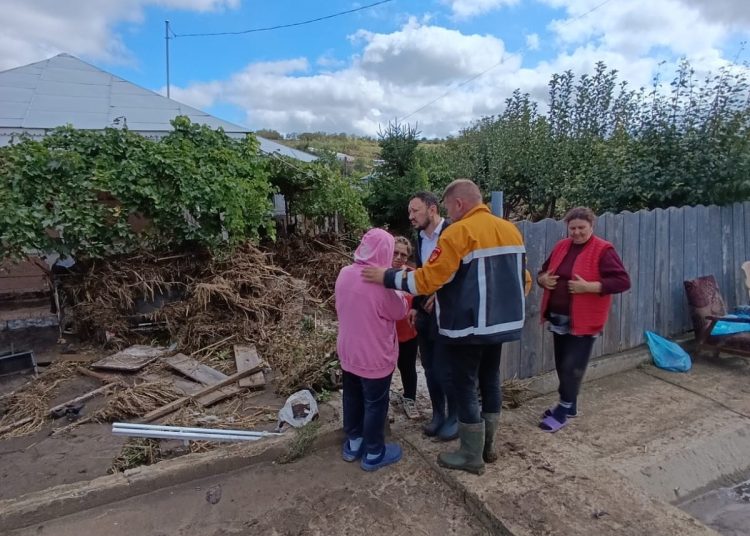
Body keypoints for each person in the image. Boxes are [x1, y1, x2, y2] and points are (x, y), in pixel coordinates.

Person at [363, 179, 530, 475]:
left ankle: (470, 454)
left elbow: (426, 280)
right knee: (490, 380)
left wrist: (387, 277)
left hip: (467, 328)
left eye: (450, 208)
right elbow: (524, 280)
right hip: (499, 326)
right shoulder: (510, 230)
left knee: (464, 385)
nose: (450, 215)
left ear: (459, 204)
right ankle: (488, 446)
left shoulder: (459, 232)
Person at [537, 207, 631, 433]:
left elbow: (622, 281)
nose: (577, 232)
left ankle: (562, 410)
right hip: (560, 317)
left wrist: (589, 287)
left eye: (582, 228)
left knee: (572, 366)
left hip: (585, 320)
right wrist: (543, 280)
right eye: (573, 228)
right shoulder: (561, 246)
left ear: (591, 226)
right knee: (562, 364)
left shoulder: (603, 250)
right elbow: (543, 271)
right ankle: (570, 406)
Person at [335, 228, 409, 471]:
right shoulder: (381, 283)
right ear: (385, 251)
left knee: (352, 396)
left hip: (349, 352)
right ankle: (374, 453)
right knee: (375, 403)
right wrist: (397, 286)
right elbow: (399, 312)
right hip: (374, 357)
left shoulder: (345, 273)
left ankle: (354, 443)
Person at [406, 191, 458, 440]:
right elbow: (420, 274)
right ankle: (438, 414)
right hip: (425, 312)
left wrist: (442, 294)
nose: (411, 216)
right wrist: (415, 305)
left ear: (432, 209)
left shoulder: (454, 232)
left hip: (448, 312)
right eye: (410, 212)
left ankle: (454, 417)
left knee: (448, 367)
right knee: (429, 367)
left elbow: (463, 272)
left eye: (415, 211)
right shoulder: (418, 237)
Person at [392, 236, 420, 419]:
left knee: (408, 368)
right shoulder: (380, 275)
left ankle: (409, 399)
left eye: (403, 254)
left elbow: (422, 296)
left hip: (408, 333)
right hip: (385, 334)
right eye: (396, 252)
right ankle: (382, 405)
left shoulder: (412, 275)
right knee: (383, 371)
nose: (399, 257)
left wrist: (416, 308)